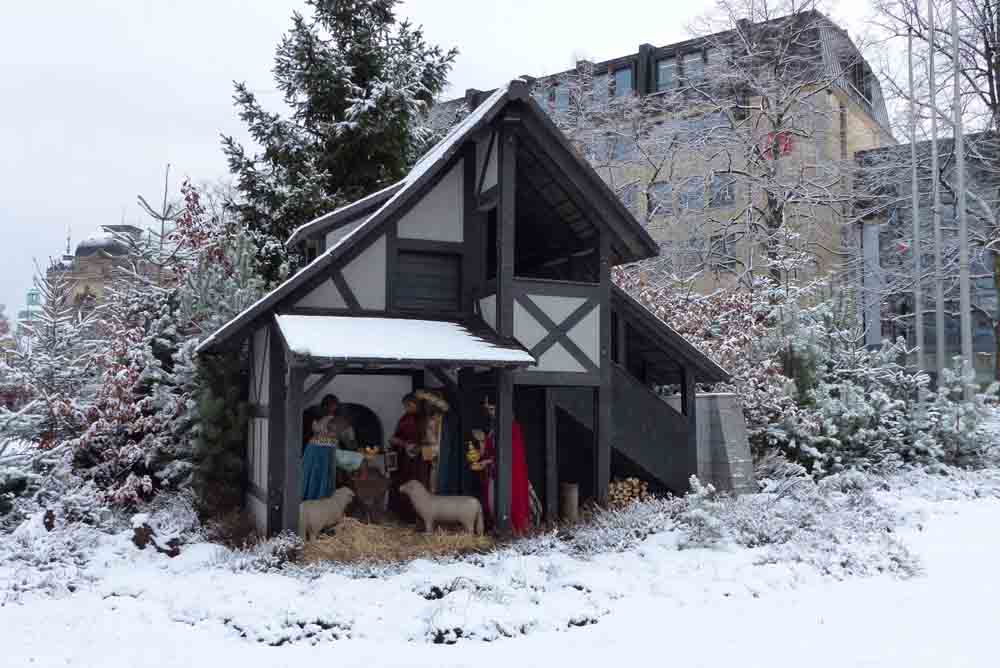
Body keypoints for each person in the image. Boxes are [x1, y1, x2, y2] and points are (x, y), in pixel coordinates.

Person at [477, 396, 531, 535]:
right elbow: (490, 450)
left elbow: (512, 453)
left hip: (510, 473)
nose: (490, 412)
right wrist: (482, 451)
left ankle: (512, 530)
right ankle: (498, 527)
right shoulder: (494, 428)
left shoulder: (513, 428)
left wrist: (488, 461)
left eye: (492, 409)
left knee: (511, 500)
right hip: (495, 471)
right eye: (488, 409)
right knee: (491, 500)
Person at [388, 393, 429, 521]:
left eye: (408, 405)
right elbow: (395, 437)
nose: (406, 408)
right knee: (403, 485)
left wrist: (420, 448)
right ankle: (404, 515)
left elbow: (430, 441)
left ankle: (419, 515)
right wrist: (401, 443)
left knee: (418, 484)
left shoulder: (426, 419)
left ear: (416, 404)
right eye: (405, 406)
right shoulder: (405, 418)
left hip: (420, 460)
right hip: (404, 459)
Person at [301, 406, 334, 501]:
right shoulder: (314, 444)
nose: (327, 430)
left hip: (319, 494)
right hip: (314, 495)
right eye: (325, 425)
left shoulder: (325, 443)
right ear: (314, 424)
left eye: (329, 427)